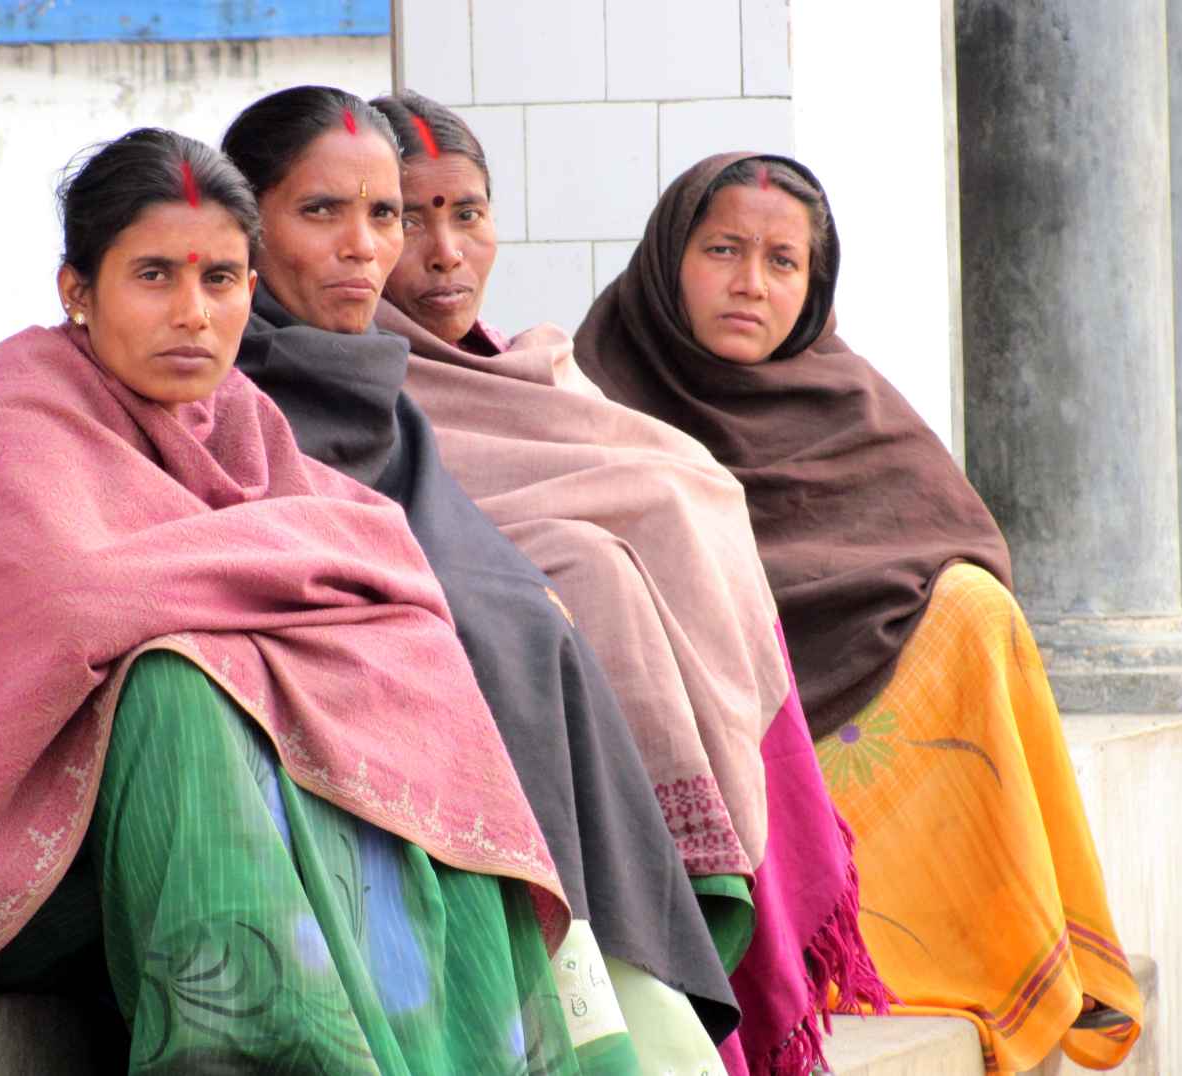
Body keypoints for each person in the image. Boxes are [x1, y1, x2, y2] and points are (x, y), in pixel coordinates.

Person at [0, 127, 593, 1075]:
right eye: (154, 276)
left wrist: (257, 590)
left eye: (220, 280)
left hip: (225, 844)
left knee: (401, 663)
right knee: (177, 679)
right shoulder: (17, 418)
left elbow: (384, 558)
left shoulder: (239, 421)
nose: (192, 313)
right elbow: (77, 597)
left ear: (249, 294)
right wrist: (279, 586)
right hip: (40, 866)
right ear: (76, 291)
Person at [573, 150, 1145, 1073]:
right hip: (694, 724)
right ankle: (797, 946)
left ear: (814, 280)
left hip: (834, 715)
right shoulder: (592, 393)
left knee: (970, 605)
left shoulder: (848, 399)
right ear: (669, 255)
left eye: (781, 261)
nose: (750, 284)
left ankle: (957, 942)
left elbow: (950, 534)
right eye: (721, 250)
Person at [367, 91, 889, 1076]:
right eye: (405, 215)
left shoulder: (540, 374)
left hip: (675, 736)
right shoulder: (351, 382)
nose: (443, 251)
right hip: (529, 785)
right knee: (595, 570)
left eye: (467, 212)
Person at [220, 86, 739, 1075]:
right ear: (249, 226)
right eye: (320, 211)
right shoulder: (230, 392)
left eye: (382, 214)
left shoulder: (382, 395)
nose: (365, 246)